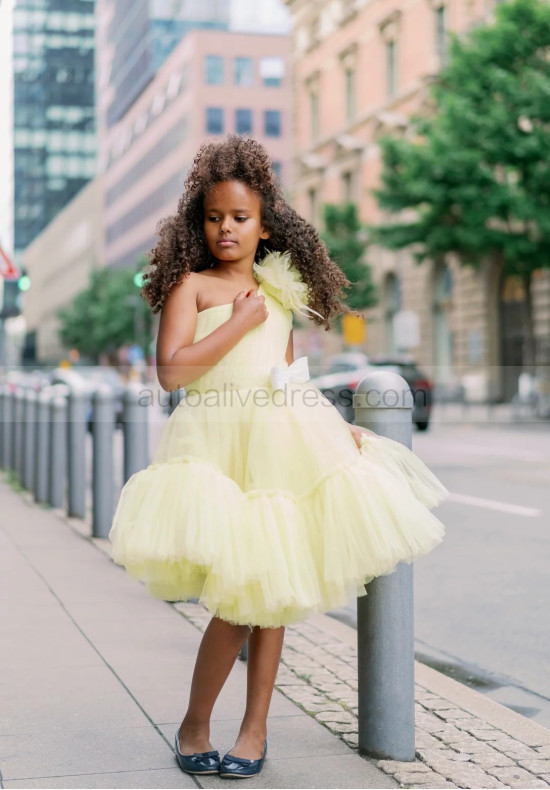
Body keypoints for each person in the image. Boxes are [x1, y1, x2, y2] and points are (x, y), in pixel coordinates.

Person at [108, 136, 448, 780]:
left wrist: (331, 429)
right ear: (197, 222)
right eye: (214, 218)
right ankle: (195, 723)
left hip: (280, 446)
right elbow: (172, 374)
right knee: (237, 601)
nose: (226, 229)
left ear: (265, 225)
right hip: (214, 448)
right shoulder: (195, 287)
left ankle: (254, 729)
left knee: (273, 589)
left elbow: (290, 374)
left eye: (239, 218)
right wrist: (236, 321)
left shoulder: (279, 291)